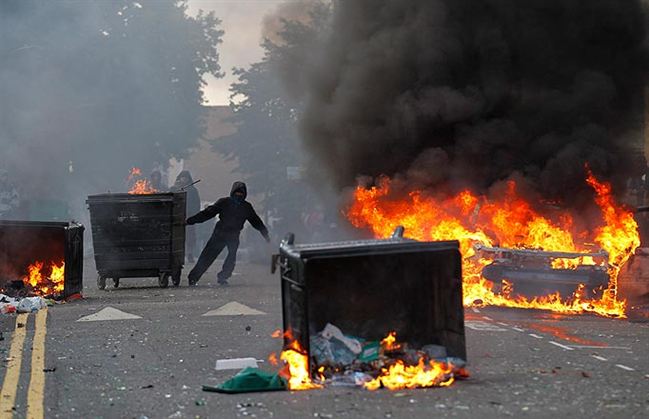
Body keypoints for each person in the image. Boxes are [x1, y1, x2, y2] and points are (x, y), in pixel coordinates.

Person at [186, 181, 269, 286]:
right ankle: (193, 277)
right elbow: (207, 213)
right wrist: (190, 221)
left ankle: (223, 277)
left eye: (241, 194)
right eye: (237, 193)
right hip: (220, 233)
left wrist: (265, 233)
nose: (238, 195)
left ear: (244, 194)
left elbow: (256, 221)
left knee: (231, 257)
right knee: (207, 256)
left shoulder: (246, 207)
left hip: (234, 235)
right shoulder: (224, 202)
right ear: (232, 192)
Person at [171, 170, 200, 262]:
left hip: (189, 216)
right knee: (176, 236)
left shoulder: (193, 190)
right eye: (182, 177)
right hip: (176, 216)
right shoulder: (175, 189)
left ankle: (189, 254)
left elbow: (196, 203)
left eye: (186, 178)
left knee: (190, 237)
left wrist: (194, 215)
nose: (184, 179)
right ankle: (176, 255)